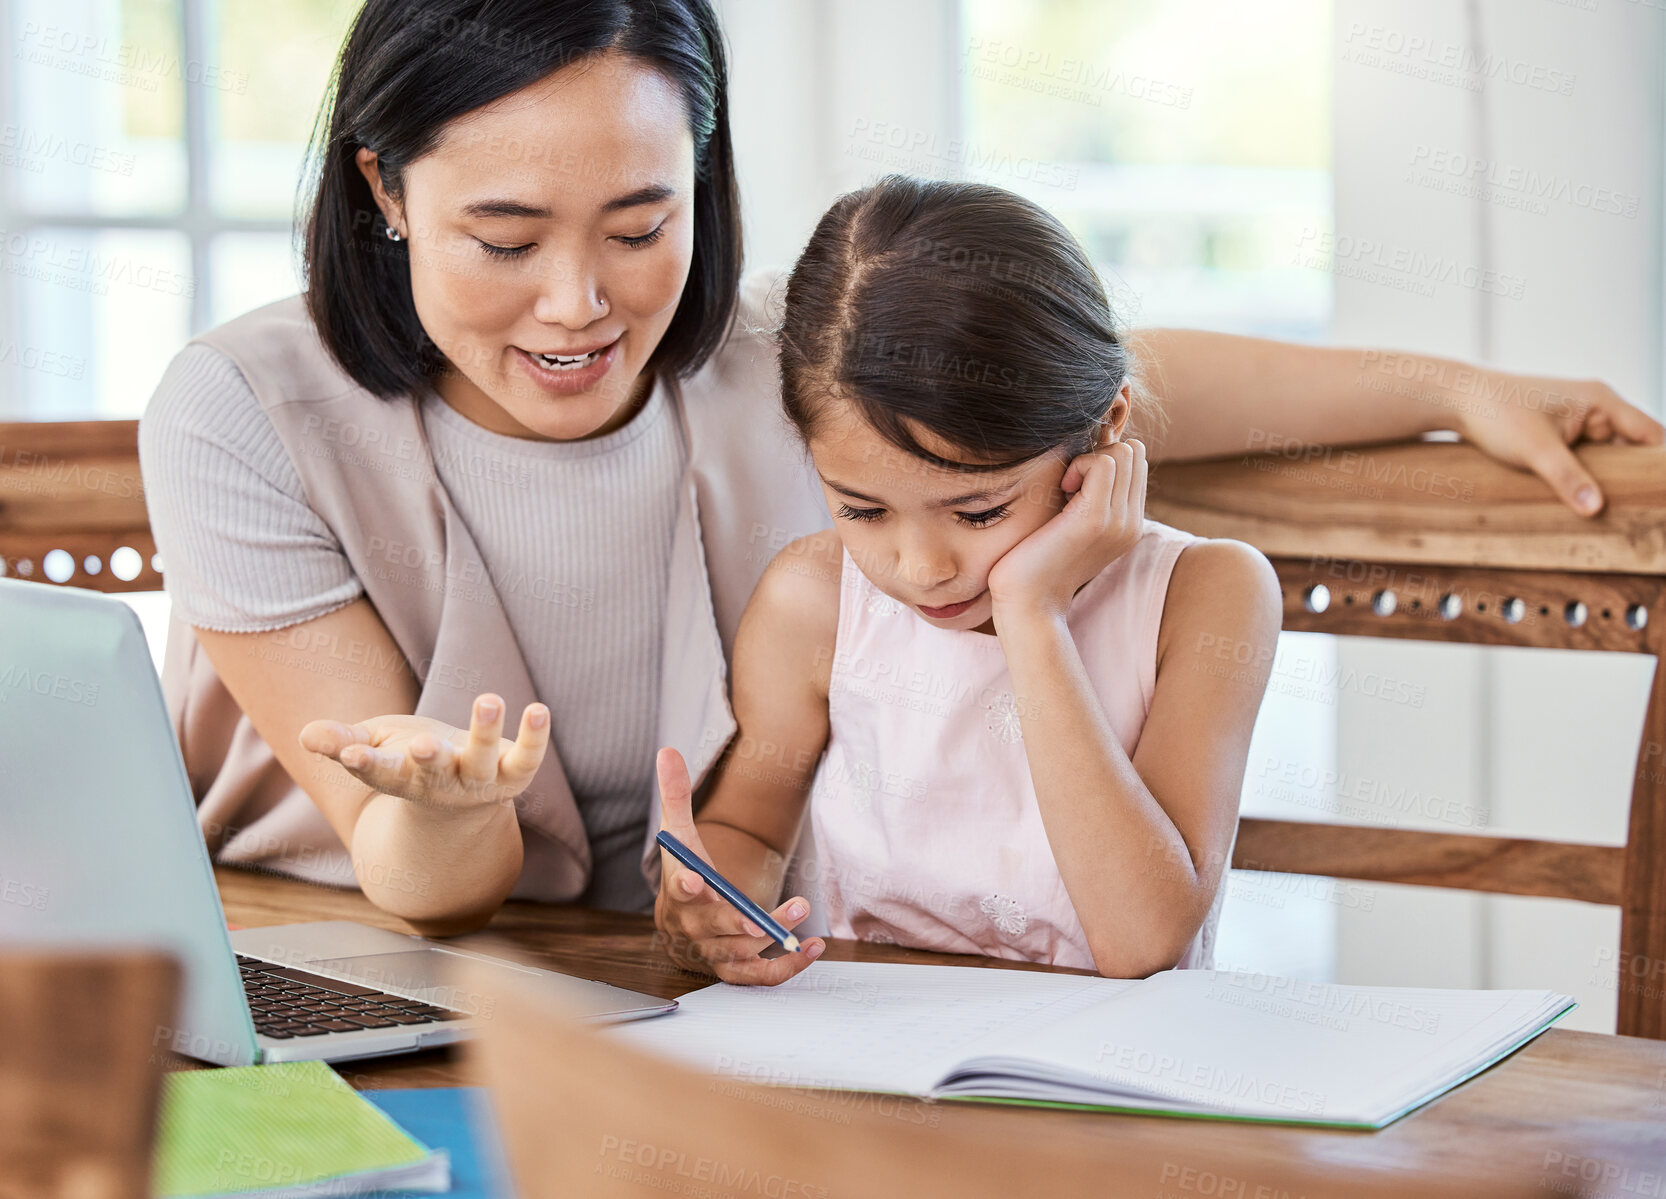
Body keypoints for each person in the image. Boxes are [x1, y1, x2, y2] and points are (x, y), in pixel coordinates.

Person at [139, 0, 1664, 937]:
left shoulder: (774, 379)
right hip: (363, 959)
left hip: (707, 989)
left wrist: (1451, 387)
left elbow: (1110, 380)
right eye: (504, 236)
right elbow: (421, 880)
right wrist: (452, 805)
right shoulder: (243, 414)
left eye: (638, 220)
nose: (579, 303)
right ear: (383, 190)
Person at [651, 176, 1280, 981]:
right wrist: (711, 906)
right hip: (877, 1062)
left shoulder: (1207, 596)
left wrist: (1034, 613)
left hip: (1112, 1081)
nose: (921, 568)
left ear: (1105, 429)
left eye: (978, 512)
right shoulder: (813, 600)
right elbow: (752, 829)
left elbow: (1141, 941)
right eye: (863, 510)